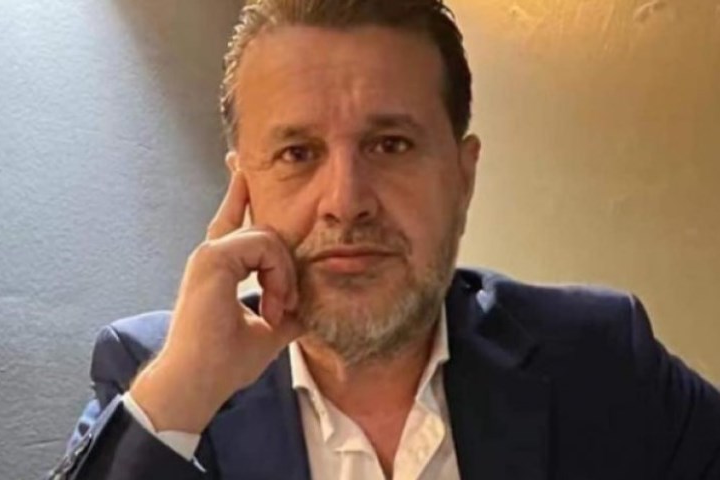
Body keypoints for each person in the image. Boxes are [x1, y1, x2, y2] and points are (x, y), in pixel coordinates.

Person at [48, 0, 720, 478]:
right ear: (243, 190)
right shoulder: (155, 377)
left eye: (390, 144)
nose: (346, 202)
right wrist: (182, 395)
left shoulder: (600, 357)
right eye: (297, 154)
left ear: (462, 177)